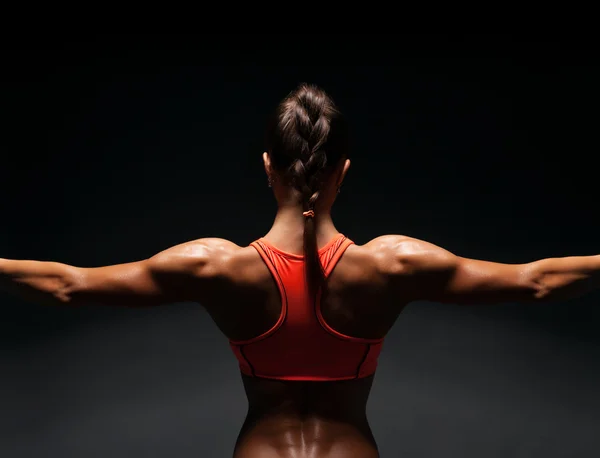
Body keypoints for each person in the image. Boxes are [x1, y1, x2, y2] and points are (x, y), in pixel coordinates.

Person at [0, 83, 598, 458]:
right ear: (342, 172)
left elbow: (67, 284)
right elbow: (537, 280)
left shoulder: (217, 268)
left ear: (267, 168)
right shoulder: (392, 265)